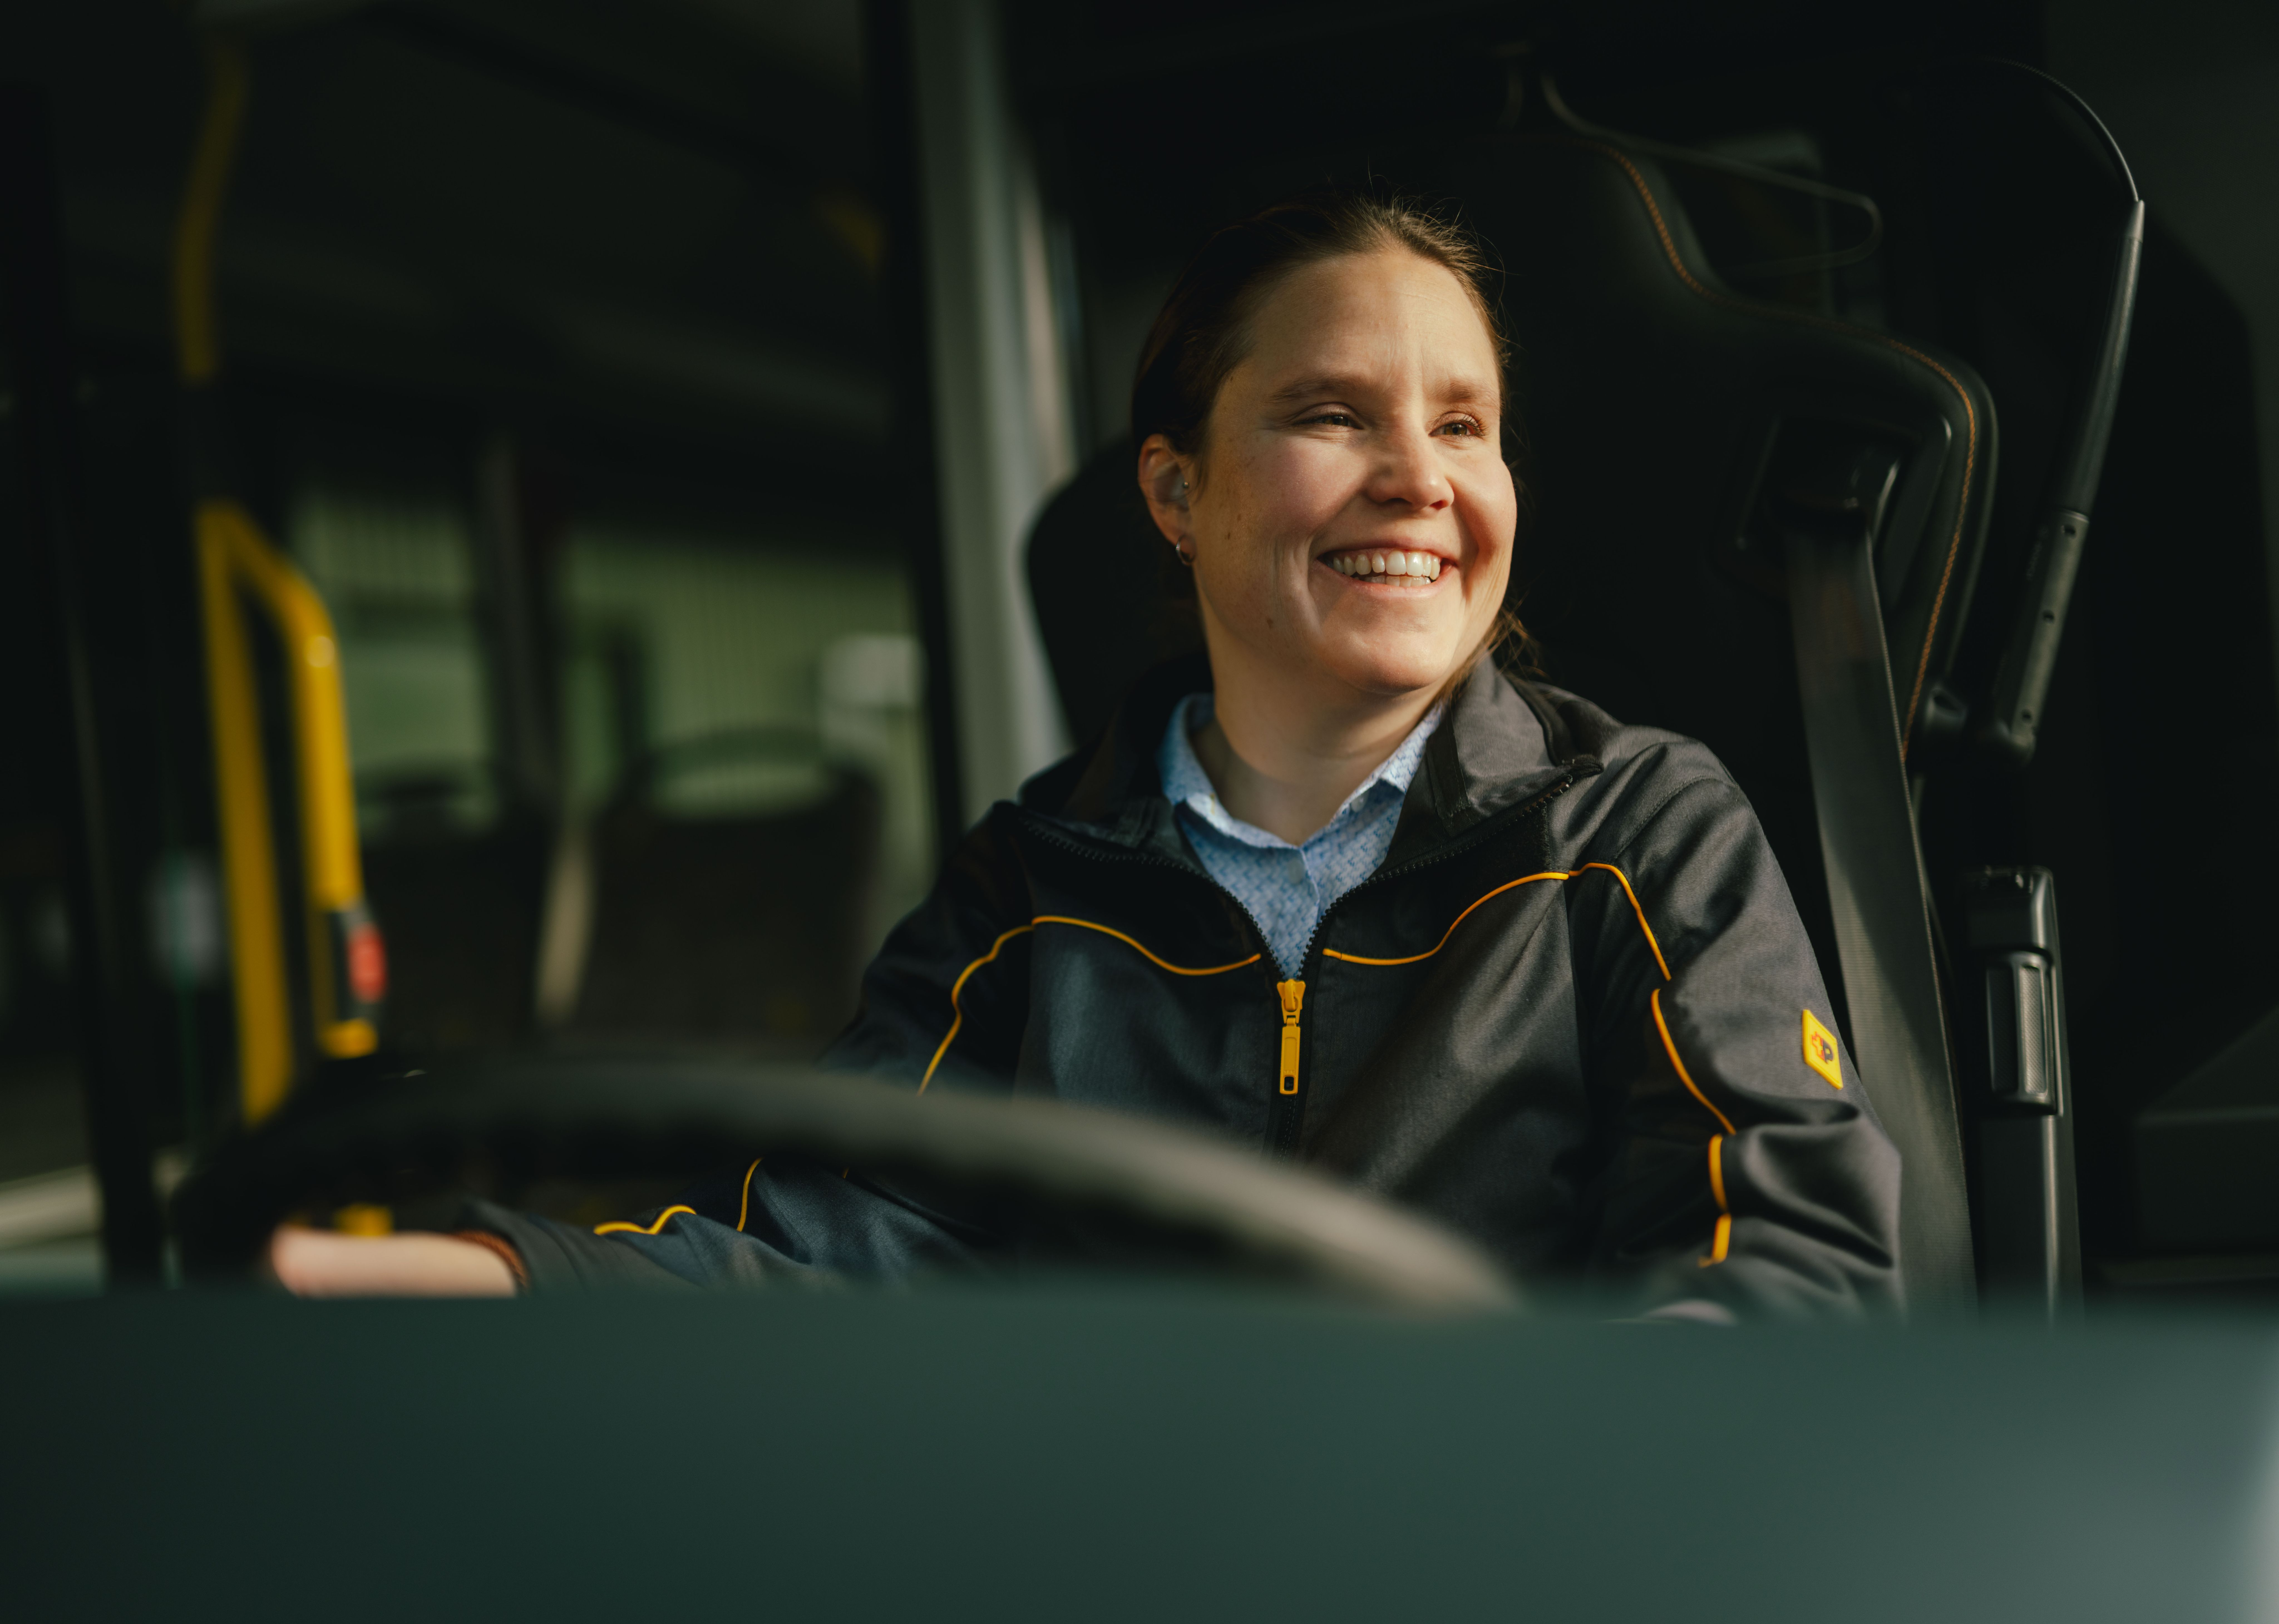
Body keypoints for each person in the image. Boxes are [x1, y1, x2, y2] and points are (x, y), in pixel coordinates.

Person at [273, 188, 1900, 1318]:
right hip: (1112, 1583)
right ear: (1177, 493)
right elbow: (829, 1256)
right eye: (1335, 414)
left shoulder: (1633, 835)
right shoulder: (1028, 890)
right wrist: (479, 1277)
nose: (1422, 476)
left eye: (1463, 423)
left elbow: (1781, 1260)